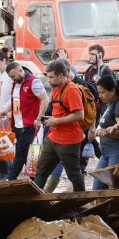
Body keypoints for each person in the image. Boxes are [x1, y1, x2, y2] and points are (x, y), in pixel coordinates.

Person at [32, 61, 89, 191]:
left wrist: (56, 121)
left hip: (69, 140)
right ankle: (33, 204)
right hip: (53, 138)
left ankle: (79, 204)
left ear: (62, 75)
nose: (49, 80)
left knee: (73, 174)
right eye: (48, 76)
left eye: (51, 77)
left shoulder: (72, 90)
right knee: (41, 171)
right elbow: (57, 111)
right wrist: (44, 118)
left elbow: (79, 115)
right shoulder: (57, 89)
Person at [90, 74, 119, 184]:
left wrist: (105, 133)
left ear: (113, 90)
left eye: (103, 92)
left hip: (117, 151)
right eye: (99, 93)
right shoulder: (110, 104)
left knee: (114, 187)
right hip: (106, 152)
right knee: (97, 187)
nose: (100, 96)